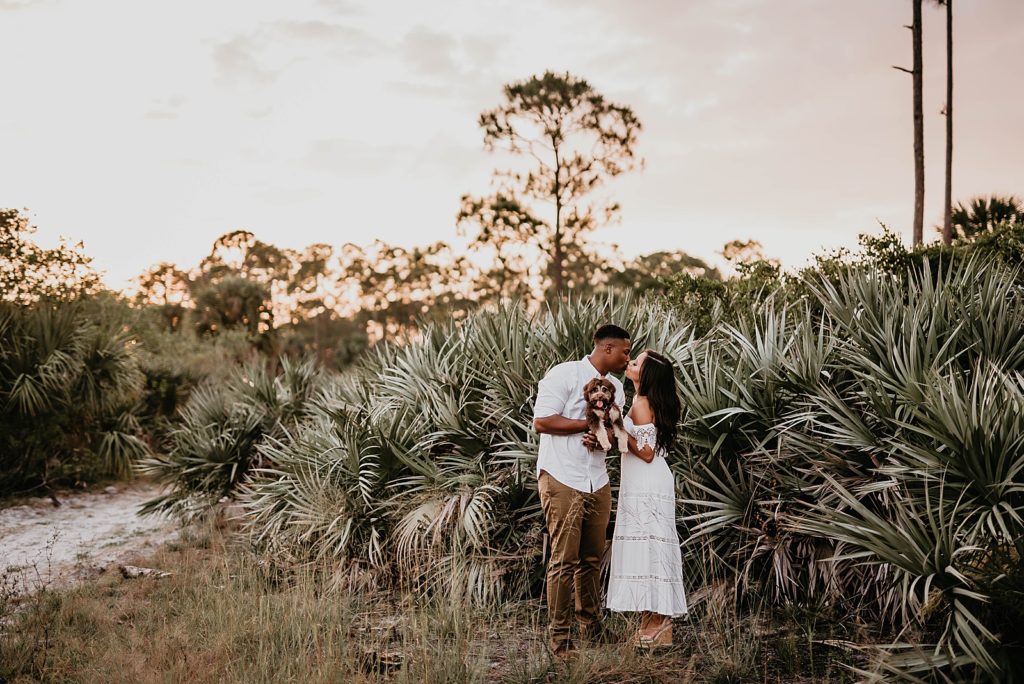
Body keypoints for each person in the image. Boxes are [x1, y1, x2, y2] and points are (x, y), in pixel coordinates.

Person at [532, 324, 631, 656]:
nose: (626, 358)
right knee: (564, 559)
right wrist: (586, 426)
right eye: (625, 352)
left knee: (591, 557)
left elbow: (615, 434)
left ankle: (592, 629)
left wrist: (600, 439)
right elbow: (543, 421)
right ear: (607, 349)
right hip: (562, 476)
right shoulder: (564, 375)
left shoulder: (616, 386)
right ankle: (560, 640)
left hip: (597, 479)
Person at [592, 349, 688, 648]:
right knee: (646, 548)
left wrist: (616, 426)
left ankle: (659, 623)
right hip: (642, 482)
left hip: (649, 483)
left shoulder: (643, 403)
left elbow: (646, 453)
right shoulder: (641, 400)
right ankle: (652, 622)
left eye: (636, 363)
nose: (629, 363)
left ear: (645, 375)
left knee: (650, 546)